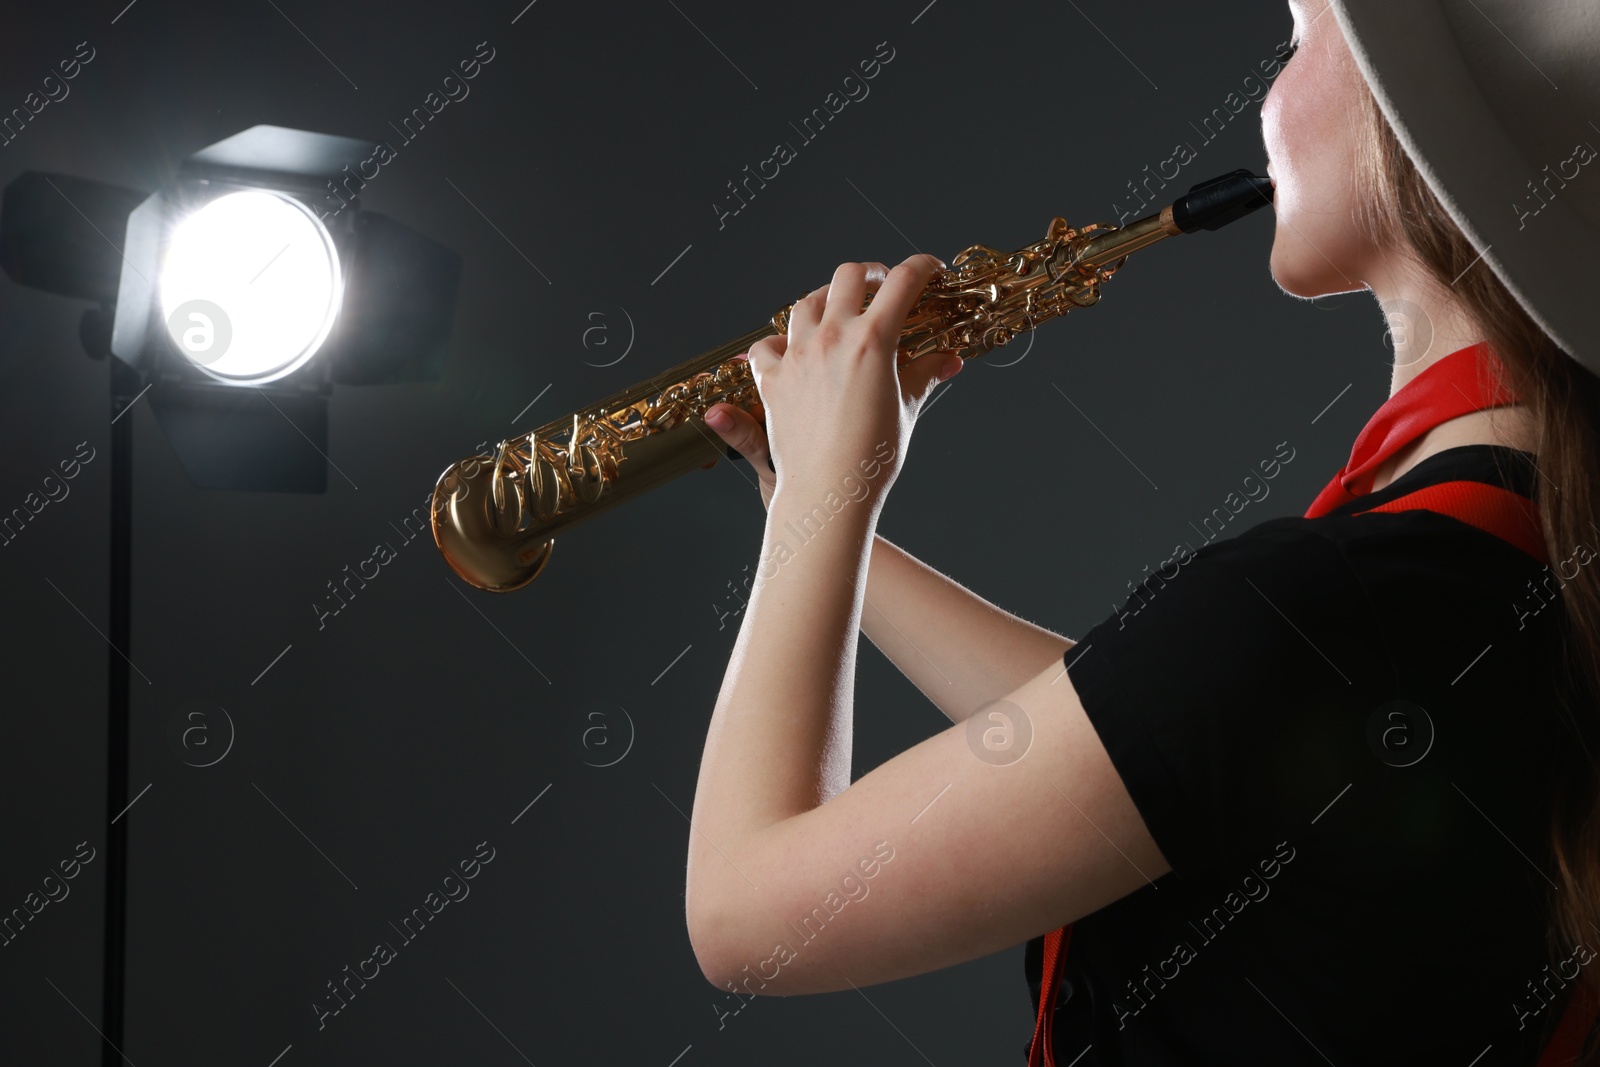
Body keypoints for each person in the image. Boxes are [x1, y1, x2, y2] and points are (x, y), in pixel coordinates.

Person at [689, 0, 1600, 1062]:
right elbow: (1170, 737)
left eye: (1295, 44)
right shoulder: (1494, 567)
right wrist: (814, 508)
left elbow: (742, 915)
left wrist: (823, 502)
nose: (1265, 90)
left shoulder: (1320, 609)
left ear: (1418, 122)